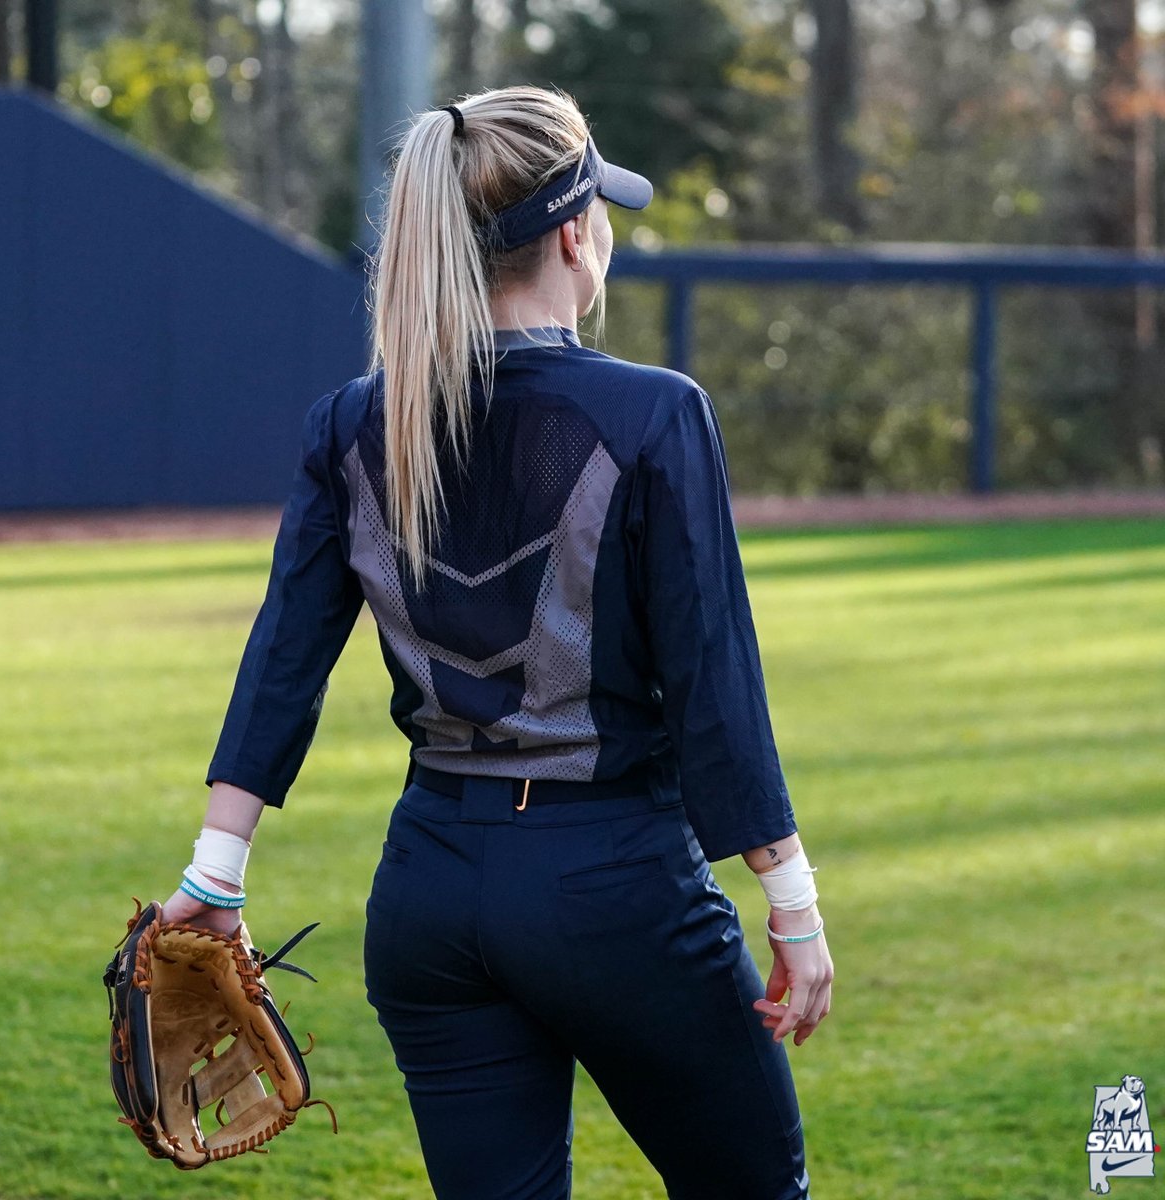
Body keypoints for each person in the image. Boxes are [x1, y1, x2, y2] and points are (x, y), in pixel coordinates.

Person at [161, 84, 833, 1200]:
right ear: (576, 232)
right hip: (611, 885)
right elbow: (715, 681)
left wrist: (215, 870)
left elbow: (286, 653)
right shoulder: (656, 412)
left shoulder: (352, 420)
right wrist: (794, 906)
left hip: (428, 894)